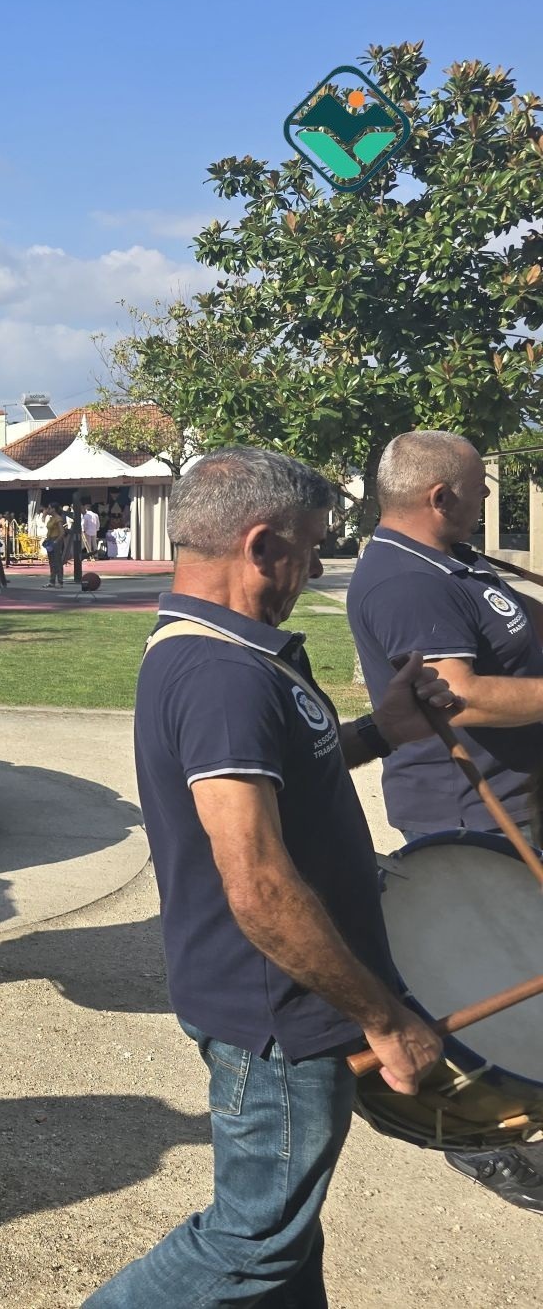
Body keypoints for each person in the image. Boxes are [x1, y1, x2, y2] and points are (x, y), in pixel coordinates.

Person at [88, 447, 446, 1306]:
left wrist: (381, 731)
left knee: (286, 1240)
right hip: (277, 1017)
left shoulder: (236, 653)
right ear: (260, 544)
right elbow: (256, 882)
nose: (316, 565)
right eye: (311, 546)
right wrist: (384, 1018)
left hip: (286, 1009)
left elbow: (294, 772)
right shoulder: (218, 673)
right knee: (251, 1245)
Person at [345, 429, 543, 1212]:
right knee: (499, 975)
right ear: (440, 496)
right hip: (473, 804)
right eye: (480, 486)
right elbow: (458, 693)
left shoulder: (452, 562)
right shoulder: (402, 581)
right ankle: (483, 1135)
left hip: (522, 794)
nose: (490, 496)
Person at [43, 506, 67, 587]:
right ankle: (52, 581)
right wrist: (44, 515)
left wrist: (56, 541)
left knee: (57, 561)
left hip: (56, 539)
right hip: (49, 539)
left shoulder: (58, 519)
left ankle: (60, 581)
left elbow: (62, 532)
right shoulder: (51, 518)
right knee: (51, 561)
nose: (47, 510)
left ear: (54, 509)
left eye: (49, 508)